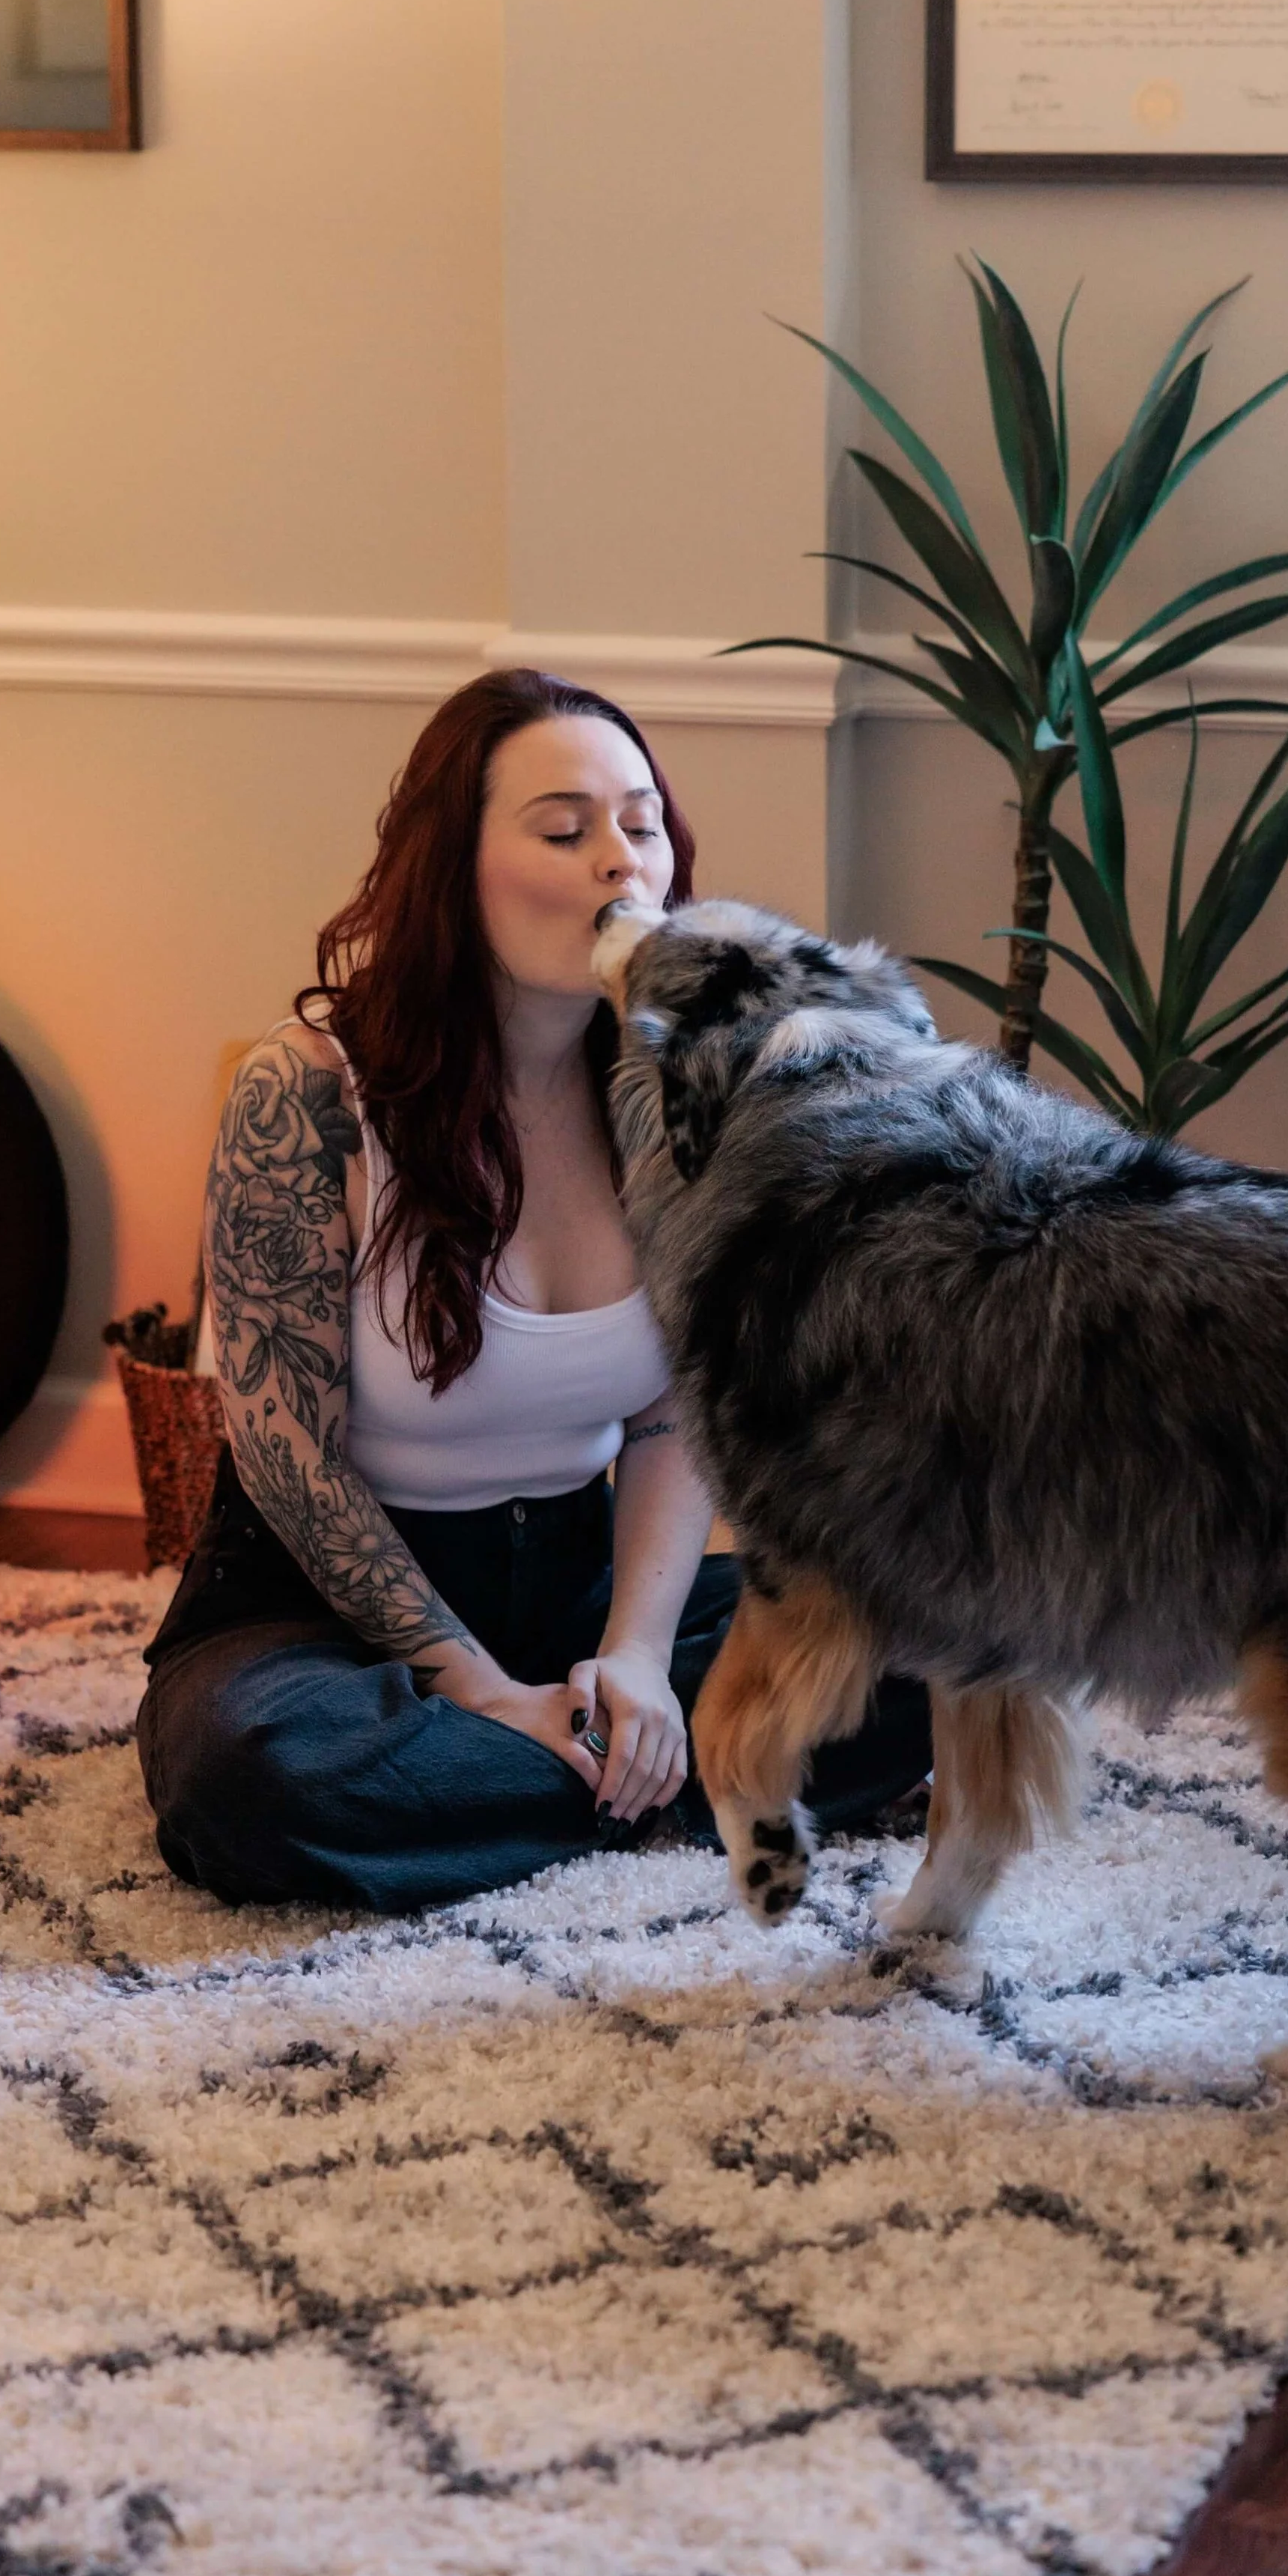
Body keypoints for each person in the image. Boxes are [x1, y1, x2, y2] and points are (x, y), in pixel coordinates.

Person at [137, 669, 931, 1913]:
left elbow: (673, 1412)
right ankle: (658, 1781)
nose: (622, 861)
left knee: (921, 1639)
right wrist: (476, 1687)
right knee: (250, 1778)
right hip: (320, 1617)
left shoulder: (689, 1091)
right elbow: (286, 1457)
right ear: (452, 869)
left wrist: (640, 1657)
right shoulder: (307, 1094)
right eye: (565, 831)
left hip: (577, 1588)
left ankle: (571, 1769)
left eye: (642, 825)